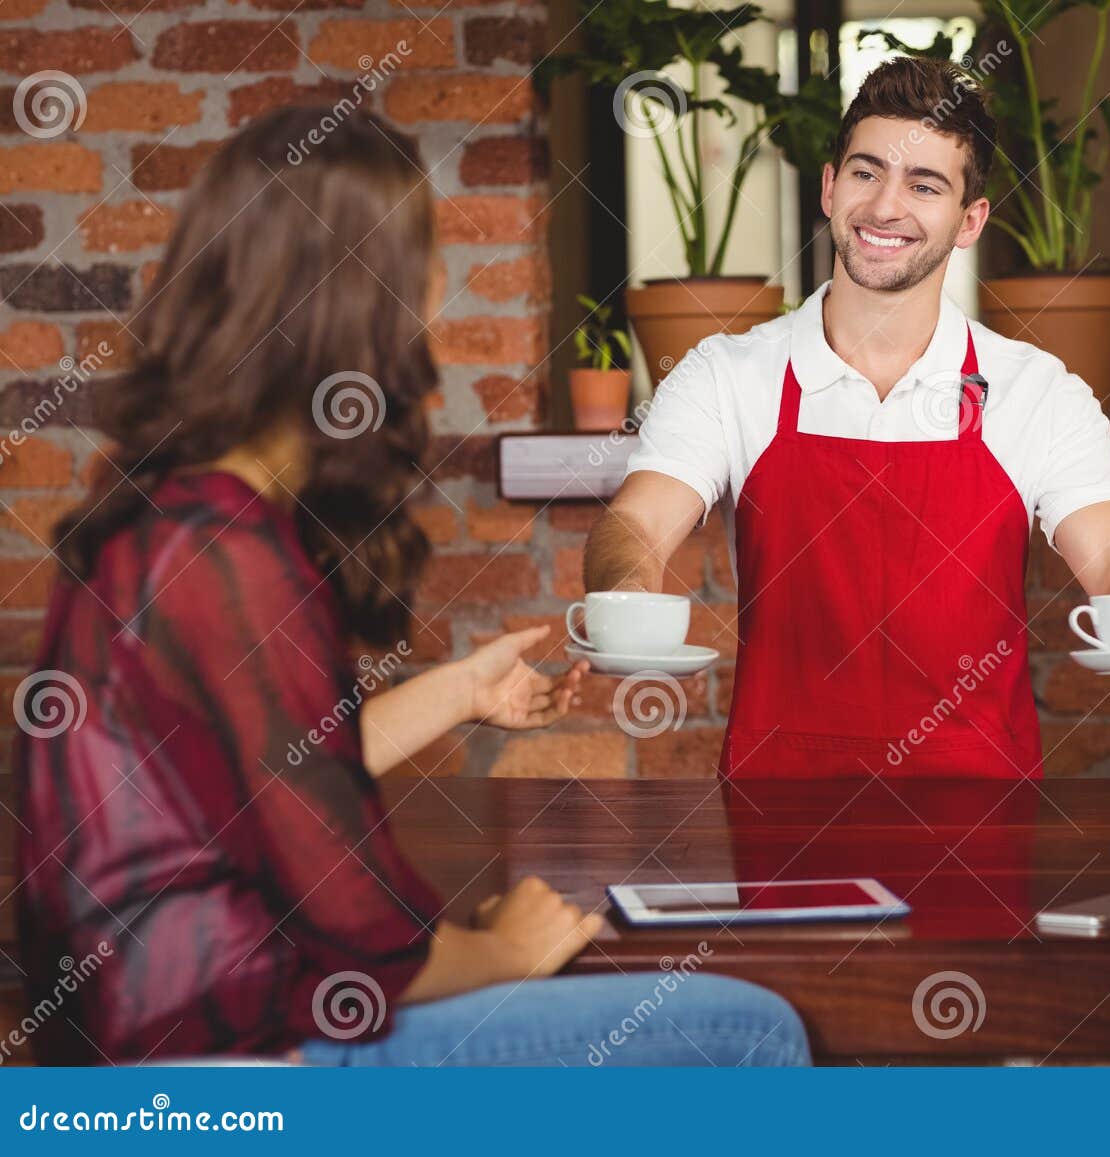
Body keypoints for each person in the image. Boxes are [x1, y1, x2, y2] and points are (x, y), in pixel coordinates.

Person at [12, 106, 809, 1068]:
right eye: (423, 261)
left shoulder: (178, 513)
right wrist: (507, 947)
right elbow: (365, 943)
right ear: (358, 301)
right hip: (229, 1064)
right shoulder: (223, 554)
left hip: (168, 1042)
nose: (438, 290)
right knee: (747, 1030)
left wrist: (463, 690)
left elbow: (268, 777)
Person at [584, 56, 1110, 780]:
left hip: (985, 811)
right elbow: (636, 524)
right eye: (866, 172)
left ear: (969, 221)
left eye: (924, 185)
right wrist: (628, 594)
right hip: (780, 810)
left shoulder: (1036, 390)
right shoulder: (727, 375)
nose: (886, 206)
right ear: (829, 187)